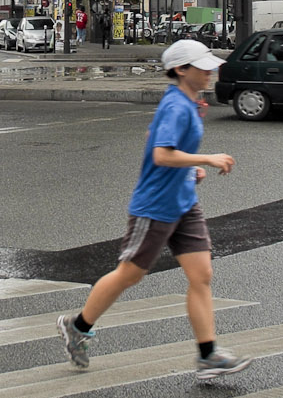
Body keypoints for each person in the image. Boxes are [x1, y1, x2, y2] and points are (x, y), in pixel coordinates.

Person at [57, 39, 249, 381]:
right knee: (129, 274)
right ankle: (78, 326)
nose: (209, 71)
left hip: (184, 201)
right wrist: (205, 158)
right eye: (201, 66)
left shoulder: (189, 102)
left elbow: (157, 141)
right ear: (180, 70)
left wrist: (189, 169)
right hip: (156, 206)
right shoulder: (175, 105)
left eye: (209, 65)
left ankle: (208, 356)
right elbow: (161, 154)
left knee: (201, 275)